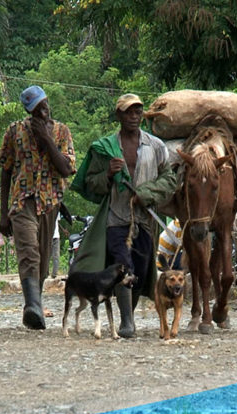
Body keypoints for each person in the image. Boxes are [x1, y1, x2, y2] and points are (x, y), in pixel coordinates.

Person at [70, 93, 176, 338]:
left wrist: (146, 193)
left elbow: (170, 180)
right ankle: (127, 322)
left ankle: (129, 311)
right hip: (115, 219)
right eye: (129, 112)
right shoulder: (105, 148)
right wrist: (107, 174)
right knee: (124, 265)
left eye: (138, 112)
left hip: (144, 219)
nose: (134, 116)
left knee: (140, 269)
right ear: (119, 115)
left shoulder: (156, 146)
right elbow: (89, 183)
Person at [0, 85, 75, 330]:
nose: (43, 113)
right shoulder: (14, 132)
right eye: (36, 110)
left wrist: (45, 139)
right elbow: (6, 171)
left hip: (50, 203)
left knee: (41, 259)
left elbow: (65, 168)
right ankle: (31, 306)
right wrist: (3, 213)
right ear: (28, 111)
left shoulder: (62, 132)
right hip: (22, 202)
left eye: (45, 107)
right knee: (29, 252)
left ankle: (36, 305)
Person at [51, 214, 61, 278]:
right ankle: (44, 273)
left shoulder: (57, 209)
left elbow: (57, 221)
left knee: (56, 255)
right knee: (46, 255)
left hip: (55, 235)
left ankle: (54, 273)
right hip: (48, 236)